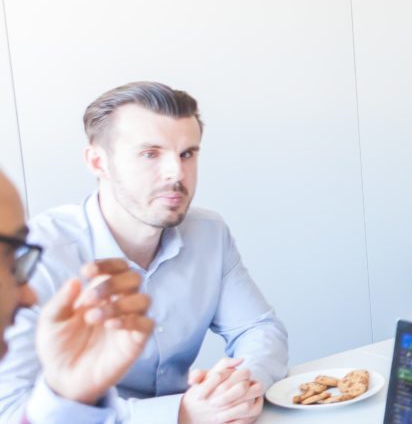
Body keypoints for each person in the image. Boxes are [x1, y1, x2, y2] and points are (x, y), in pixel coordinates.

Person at [0, 82, 289, 423]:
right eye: (150, 154)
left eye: (187, 154)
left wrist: (238, 385)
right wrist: (178, 413)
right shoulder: (34, 256)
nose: (176, 173)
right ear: (98, 161)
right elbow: (10, 409)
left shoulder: (209, 233)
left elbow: (259, 329)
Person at [1, 169, 156, 423]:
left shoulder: (211, 232)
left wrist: (68, 395)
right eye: (10, 259)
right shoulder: (55, 245)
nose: (29, 296)